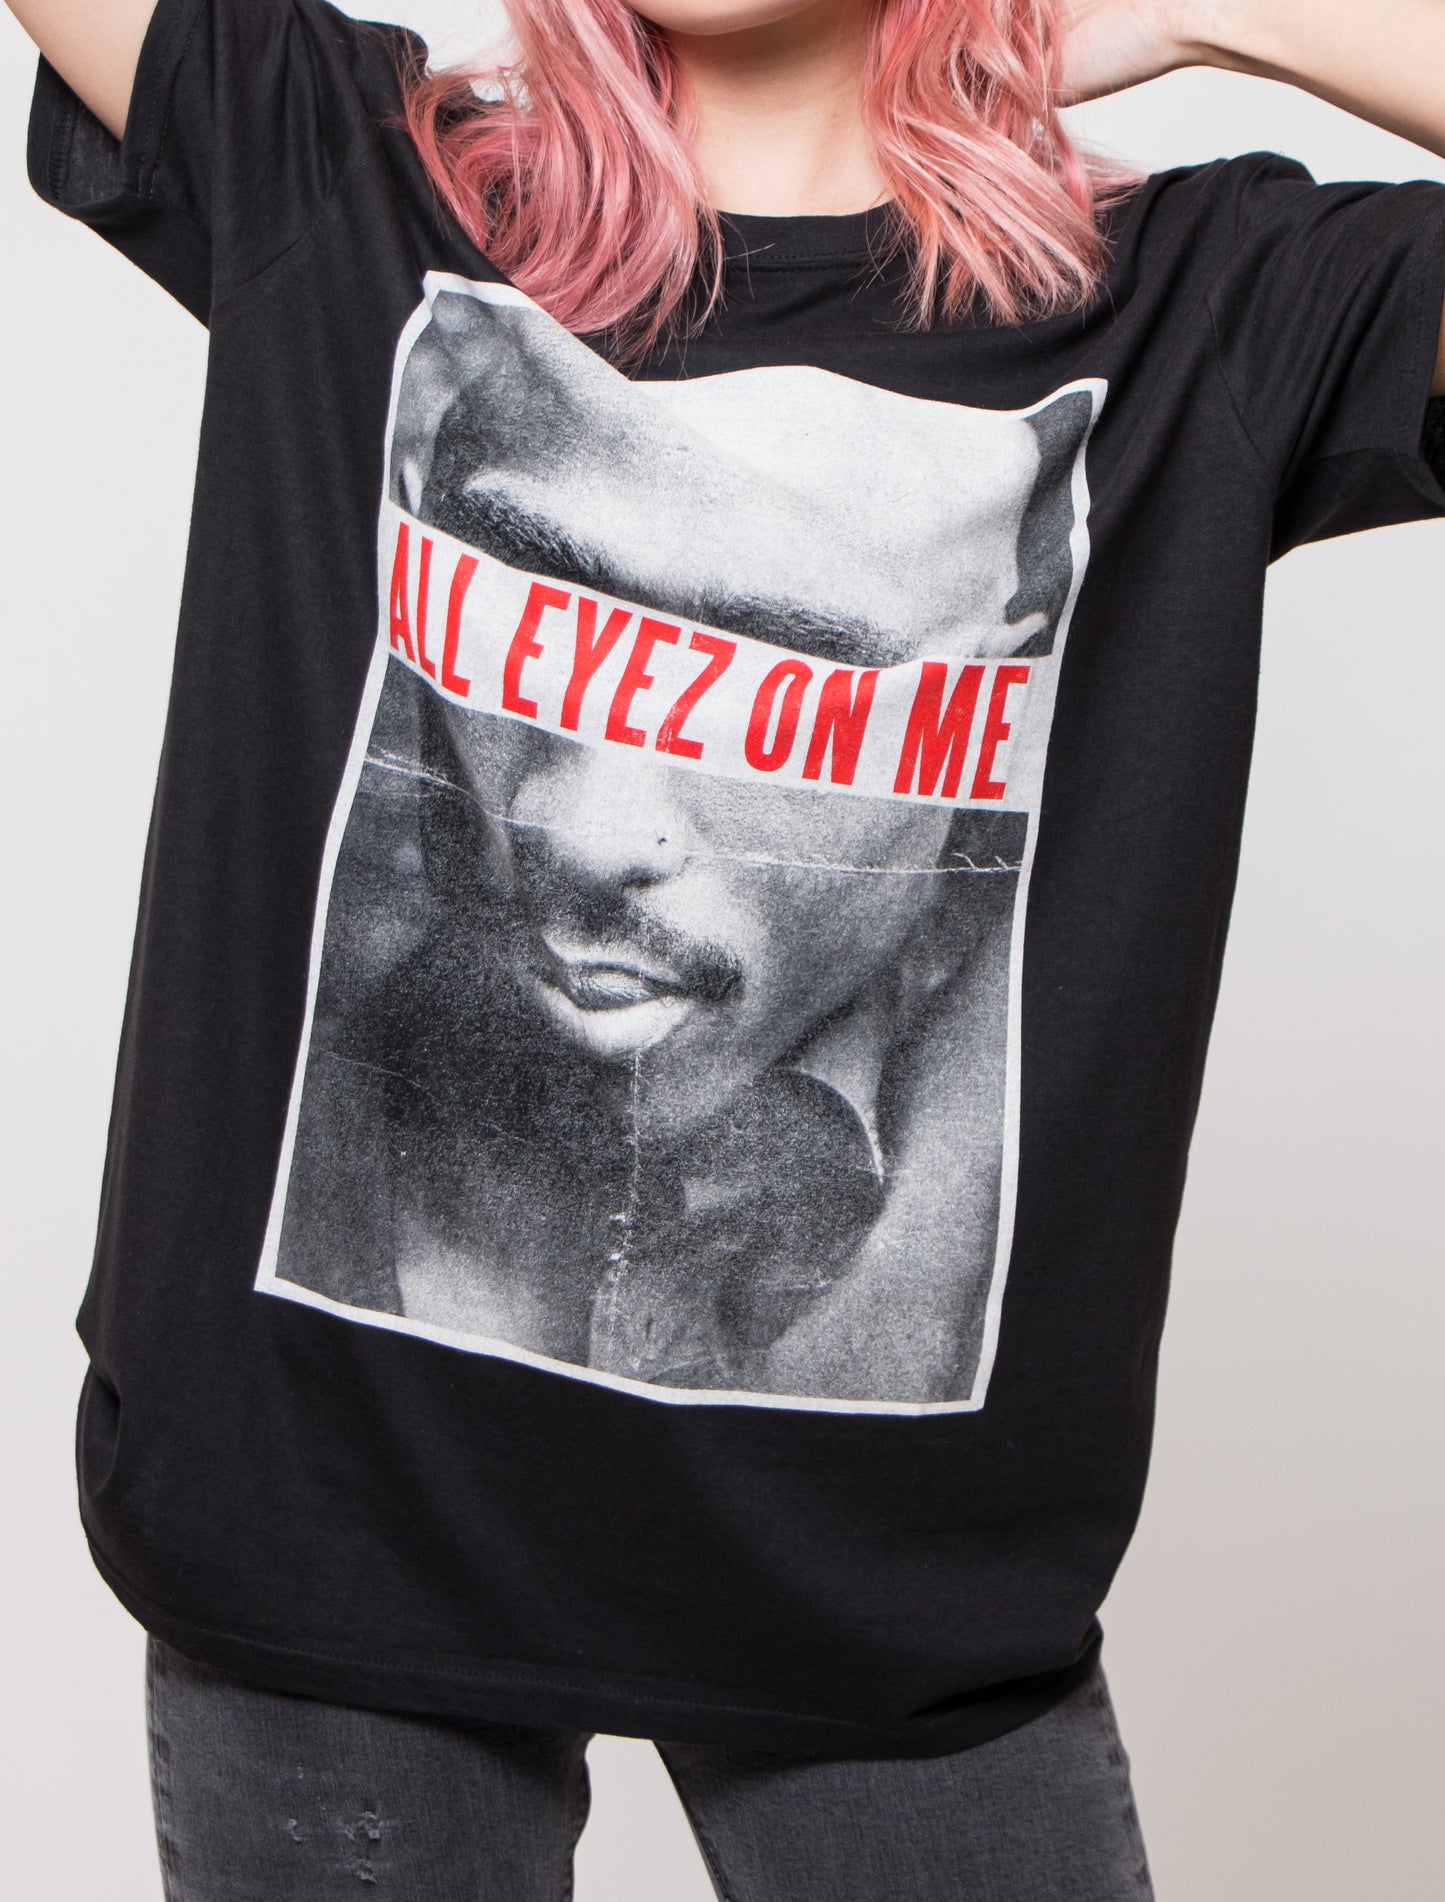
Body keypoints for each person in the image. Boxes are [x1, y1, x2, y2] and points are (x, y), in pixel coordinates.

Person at [7, 0, 1444, 1895]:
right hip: (327, 1533)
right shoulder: (349, 183)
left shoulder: (1209, 308)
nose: (591, 835)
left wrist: (1226, 10)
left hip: (890, 1598)